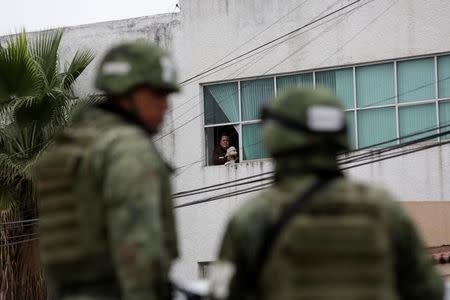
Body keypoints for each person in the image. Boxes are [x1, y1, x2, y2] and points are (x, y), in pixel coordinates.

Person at [211, 88, 444, 300]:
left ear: (275, 138)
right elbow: (429, 290)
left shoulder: (251, 218)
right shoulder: (384, 208)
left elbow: (220, 293)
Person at [33, 41, 179, 300]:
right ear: (127, 94)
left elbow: (55, 257)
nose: (166, 105)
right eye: (157, 94)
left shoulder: (72, 145)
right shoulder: (127, 148)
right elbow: (138, 253)